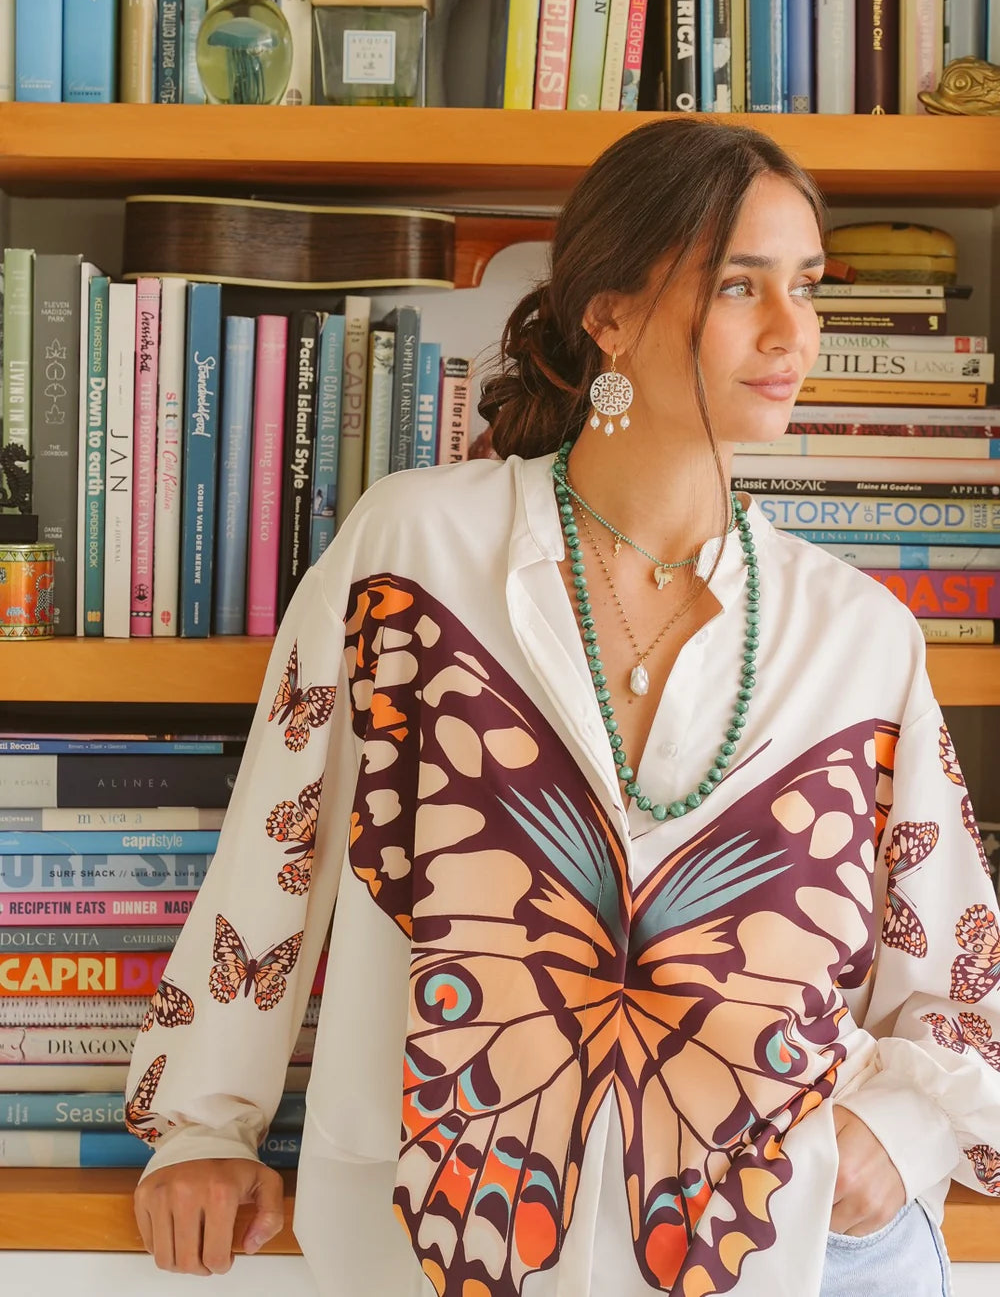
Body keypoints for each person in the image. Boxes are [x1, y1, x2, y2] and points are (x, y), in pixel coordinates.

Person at [128, 118, 1000, 1297]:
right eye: (741, 284)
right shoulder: (417, 549)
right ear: (609, 313)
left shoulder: (858, 633)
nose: (794, 333)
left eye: (807, 287)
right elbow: (280, 839)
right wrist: (203, 1124)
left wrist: (901, 1132)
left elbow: (954, 961)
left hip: (765, 1244)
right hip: (440, 1231)